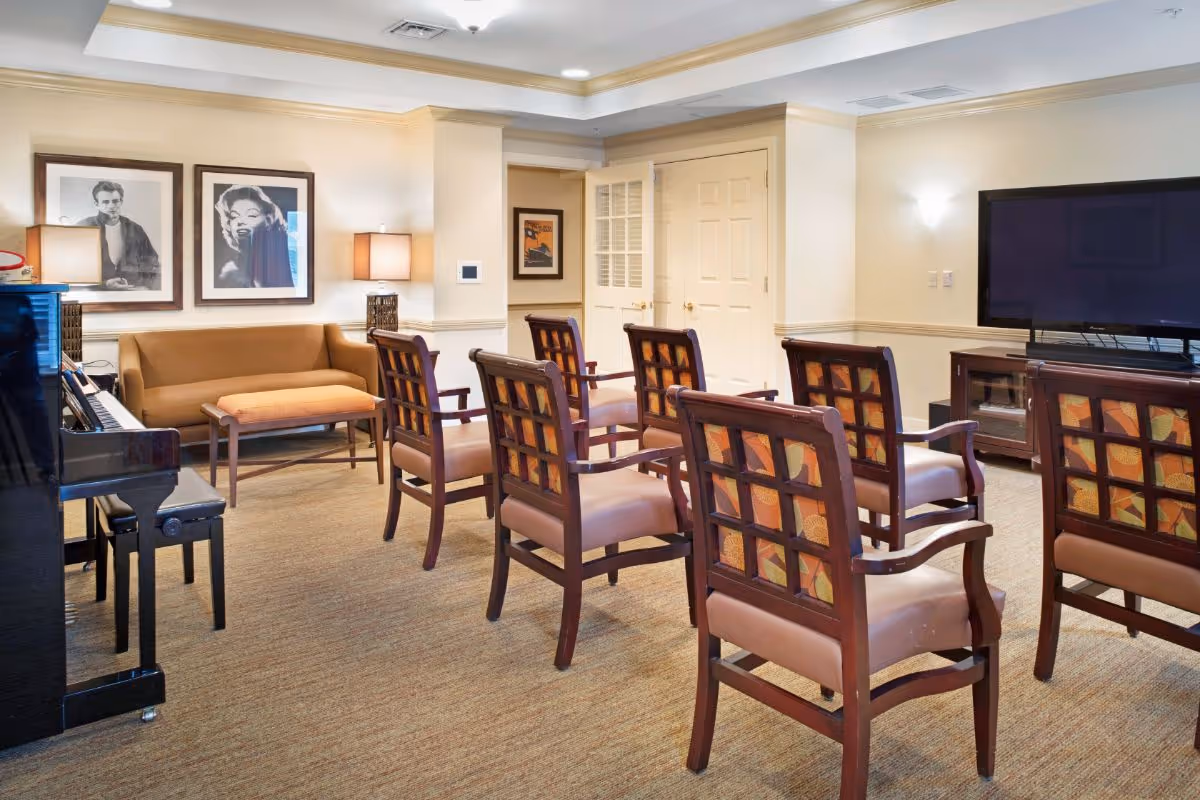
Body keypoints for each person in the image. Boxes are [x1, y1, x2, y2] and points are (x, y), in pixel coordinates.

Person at [77, 181, 161, 290]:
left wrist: (146, 287)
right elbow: (71, 269)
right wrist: (104, 284)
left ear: (121, 202)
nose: (111, 206)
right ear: (96, 204)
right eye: (105, 202)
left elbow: (152, 263)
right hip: (95, 294)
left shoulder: (136, 229)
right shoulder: (83, 227)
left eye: (115, 201)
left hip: (132, 293)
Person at [213, 185, 294, 289]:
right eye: (234, 216)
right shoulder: (229, 273)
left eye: (251, 215)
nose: (240, 222)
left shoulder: (287, 261)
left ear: (268, 220)